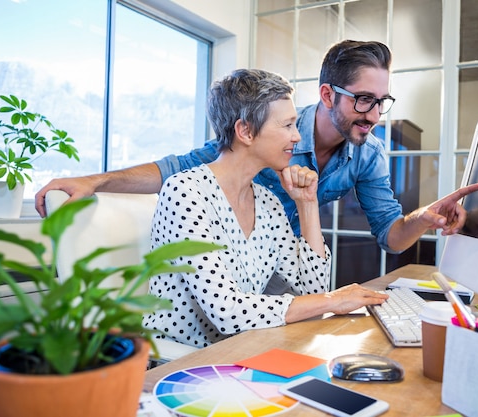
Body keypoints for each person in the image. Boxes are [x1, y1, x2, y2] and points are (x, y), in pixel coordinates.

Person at [35, 39, 478, 255]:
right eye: (363, 100)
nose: (375, 115)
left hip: (286, 265)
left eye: (381, 101)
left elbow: (390, 235)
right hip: (236, 271)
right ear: (328, 95)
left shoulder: (368, 155)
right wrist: (96, 180)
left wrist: (422, 219)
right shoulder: (264, 131)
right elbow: (176, 168)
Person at [142, 68, 387, 348]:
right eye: (287, 126)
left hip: (241, 353)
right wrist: (334, 301)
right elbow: (227, 311)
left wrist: (308, 204)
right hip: (178, 362)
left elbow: (313, 290)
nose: (297, 137)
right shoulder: (186, 192)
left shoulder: (267, 200)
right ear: (245, 131)